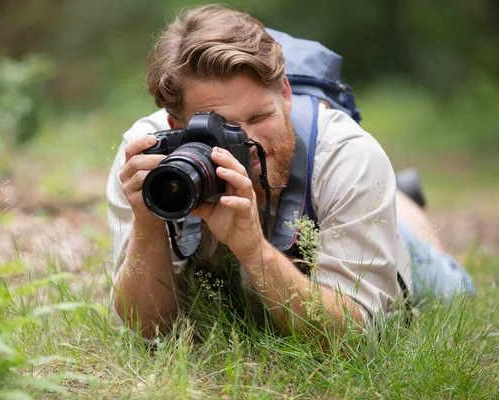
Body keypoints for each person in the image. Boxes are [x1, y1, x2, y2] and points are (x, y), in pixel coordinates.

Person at [106, 5, 475, 341]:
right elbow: (146, 328)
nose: (249, 143)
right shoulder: (148, 160)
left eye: (260, 117)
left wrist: (254, 251)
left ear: (285, 92)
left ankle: (398, 204)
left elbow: (355, 339)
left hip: (374, 227)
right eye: (221, 126)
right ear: (176, 123)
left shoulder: (349, 156)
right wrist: (149, 221)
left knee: (453, 288)